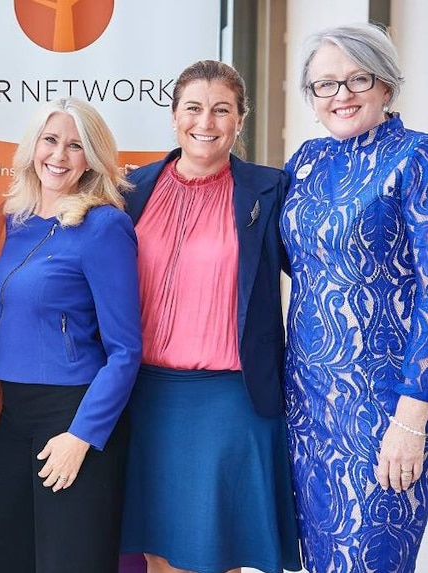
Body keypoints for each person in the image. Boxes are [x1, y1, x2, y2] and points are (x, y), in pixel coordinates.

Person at [119, 60, 301, 573]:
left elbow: (320, 269)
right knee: (158, 554)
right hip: (148, 398)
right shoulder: (131, 192)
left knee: (216, 553)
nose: (207, 121)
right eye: (194, 108)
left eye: (222, 110)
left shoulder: (271, 192)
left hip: (232, 398)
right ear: (174, 117)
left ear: (239, 121)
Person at [0, 97, 141, 573]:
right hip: (16, 416)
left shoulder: (104, 226)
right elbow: (4, 293)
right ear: (33, 147)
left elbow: (126, 351)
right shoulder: (18, 220)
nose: (59, 155)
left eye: (75, 146)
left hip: (73, 416)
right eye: (51, 140)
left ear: (92, 159)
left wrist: (81, 436)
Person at [281, 23, 428, 573]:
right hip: (307, 407)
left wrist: (412, 419)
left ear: (386, 85)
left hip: (383, 410)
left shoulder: (417, 158)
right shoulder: (308, 162)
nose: (340, 95)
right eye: (324, 84)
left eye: (356, 79)